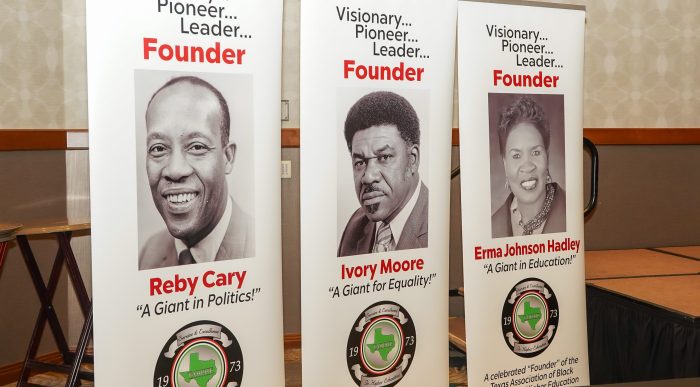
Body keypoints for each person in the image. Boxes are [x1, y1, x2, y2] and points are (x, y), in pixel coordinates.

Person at [139, 76, 254, 270]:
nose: (175, 170)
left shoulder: (259, 245)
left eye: (197, 147)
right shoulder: (149, 253)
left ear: (228, 157)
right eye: (158, 148)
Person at [338, 91, 428, 257]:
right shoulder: (355, 226)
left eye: (384, 157)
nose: (368, 177)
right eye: (360, 162)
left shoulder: (440, 224)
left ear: (412, 160)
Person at [492, 96, 566, 238]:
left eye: (535, 152)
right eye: (516, 156)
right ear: (505, 163)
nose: (527, 166)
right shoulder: (491, 227)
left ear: (547, 155)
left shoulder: (571, 212)